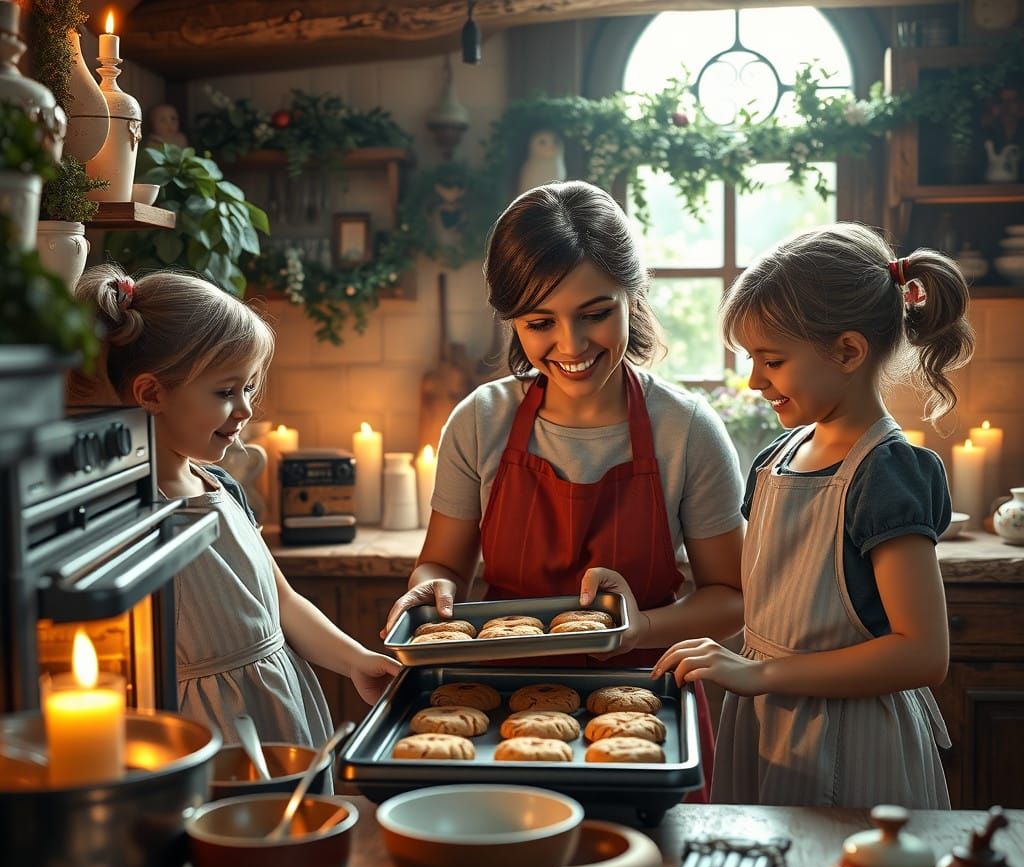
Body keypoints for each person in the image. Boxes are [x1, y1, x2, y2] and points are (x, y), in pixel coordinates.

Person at [383, 181, 746, 801]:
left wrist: (638, 627)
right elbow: (442, 562)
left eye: (596, 313)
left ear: (634, 297)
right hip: (494, 716)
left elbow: (734, 599)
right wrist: (429, 589)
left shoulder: (686, 428)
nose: (572, 346)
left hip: (647, 712)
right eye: (540, 322)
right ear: (511, 322)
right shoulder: (480, 421)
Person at [653, 223, 975, 809]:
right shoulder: (776, 459)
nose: (754, 381)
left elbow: (924, 653)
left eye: (772, 360)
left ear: (848, 351)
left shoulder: (886, 473)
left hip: (855, 744)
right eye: (752, 359)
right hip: (767, 726)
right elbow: (772, 604)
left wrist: (762, 676)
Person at [75, 265, 400, 748]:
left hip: (279, 709)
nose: (246, 409)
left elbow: (282, 602)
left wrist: (354, 660)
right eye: (226, 392)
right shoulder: (124, 513)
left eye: (248, 388)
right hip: (202, 734)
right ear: (151, 393)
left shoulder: (220, 484)